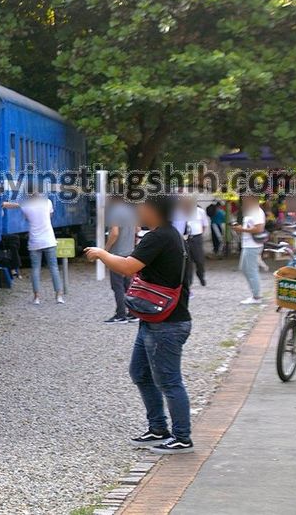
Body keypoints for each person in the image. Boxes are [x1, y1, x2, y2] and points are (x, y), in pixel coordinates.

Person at [84, 195, 194, 455]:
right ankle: (158, 428)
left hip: (167, 323)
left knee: (169, 380)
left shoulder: (160, 237)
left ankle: (182, 437)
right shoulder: (167, 234)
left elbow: (127, 267)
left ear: (154, 210)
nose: (137, 211)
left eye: (142, 206)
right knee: (140, 372)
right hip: (154, 318)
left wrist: (101, 253)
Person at [3, 188, 62, 305]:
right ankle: (59, 296)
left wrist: (2, 204)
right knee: (54, 268)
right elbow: (50, 216)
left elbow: (12, 206)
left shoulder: (26, 205)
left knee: (35, 269)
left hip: (34, 242)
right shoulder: (48, 202)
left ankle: (36, 298)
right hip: (49, 240)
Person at [104, 198, 138, 323]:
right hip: (129, 252)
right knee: (128, 284)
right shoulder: (131, 211)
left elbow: (114, 233)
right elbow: (137, 229)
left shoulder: (114, 212)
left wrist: (106, 249)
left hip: (117, 253)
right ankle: (133, 313)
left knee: (117, 285)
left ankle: (120, 314)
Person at [232, 195, 266, 305]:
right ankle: (256, 294)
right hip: (248, 245)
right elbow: (251, 226)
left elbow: (259, 228)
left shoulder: (257, 211)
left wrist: (241, 229)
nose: (244, 201)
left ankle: (256, 296)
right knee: (245, 268)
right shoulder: (251, 211)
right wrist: (240, 228)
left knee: (250, 270)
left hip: (253, 246)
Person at [182, 198, 208, 288]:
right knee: (187, 260)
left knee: (199, 260)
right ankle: (189, 281)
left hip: (196, 237)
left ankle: (201, 275)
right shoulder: (181, 211)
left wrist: (199, 235)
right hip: (185, 237)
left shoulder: (200, 211)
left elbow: (205, 225)